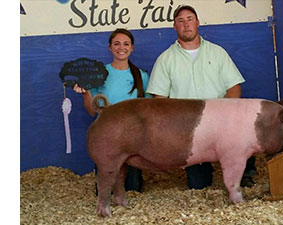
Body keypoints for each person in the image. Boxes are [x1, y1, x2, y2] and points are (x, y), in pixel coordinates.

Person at [146, 5, 256, 189]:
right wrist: (177, 127)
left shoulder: (217, 52)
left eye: (190, 19)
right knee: (199, 186)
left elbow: (234, 87)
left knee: (243, 131)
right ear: (174, 27)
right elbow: (160, 100)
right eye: (180, 21)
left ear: (197, 23)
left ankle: (244, 175)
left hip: (220, 122)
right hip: (189, 129)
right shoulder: (165, 59)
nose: (186, 24)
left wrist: (226, 116)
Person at [74, 28, 150, 192]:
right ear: (110, 47)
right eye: (116, 44)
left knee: (133, 190)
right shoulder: (99, 74)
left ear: (132, 48)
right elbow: (91, 111)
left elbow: (149, 111)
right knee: (105, 190)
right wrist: (85, 91)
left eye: (126, 44)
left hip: (133, 139)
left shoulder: (141, 76)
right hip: (107, 136)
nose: (121, 47)